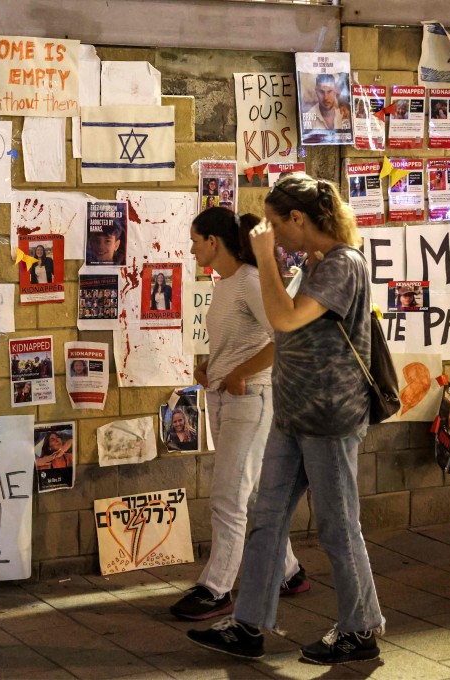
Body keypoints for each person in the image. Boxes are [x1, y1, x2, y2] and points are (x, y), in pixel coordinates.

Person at [188, 175, 383, 665]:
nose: (270, 232)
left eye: (277, 223)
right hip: (293, 415)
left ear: (299, 219)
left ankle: (360, 631)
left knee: (338, 528)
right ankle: (249, 625)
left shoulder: (343, 265)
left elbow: (286, 318)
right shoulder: (316, 263)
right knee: (267, 518)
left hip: (330, 418)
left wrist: (268, 259)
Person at [171, 206, 307, 621]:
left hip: (252, 400)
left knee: (228, 496)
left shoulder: (249, 281)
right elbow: (238, 343)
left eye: (195, 241)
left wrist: (239, 374)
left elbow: (285, 335)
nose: (192, 248)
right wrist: (212, 368)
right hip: (228, 397)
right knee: (247, 492)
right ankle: (289, 572)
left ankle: (217, 588)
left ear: (213, 242)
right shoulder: (226, 283)